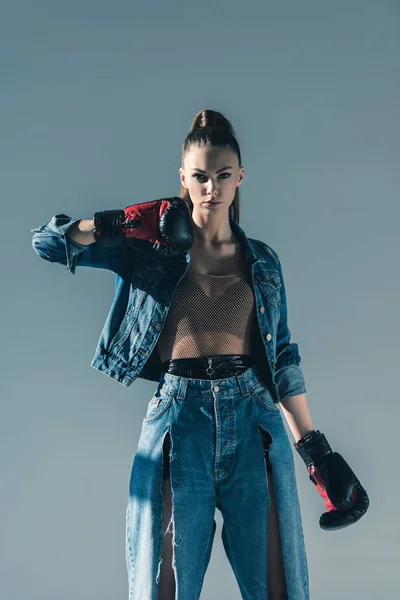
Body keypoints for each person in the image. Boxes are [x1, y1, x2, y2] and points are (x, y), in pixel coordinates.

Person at [31, 109, 369, 600]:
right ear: (183, 179)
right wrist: (118, 222)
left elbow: (284, 361)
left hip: (254, 420)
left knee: (281, 589)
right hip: (178, 419)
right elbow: (47, 243)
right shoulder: (146, 246)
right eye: (200, 177)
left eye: (223, 176)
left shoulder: (264, 261)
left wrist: (317, 453)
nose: (212, 187)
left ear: (240, 177)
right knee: (160, 588)